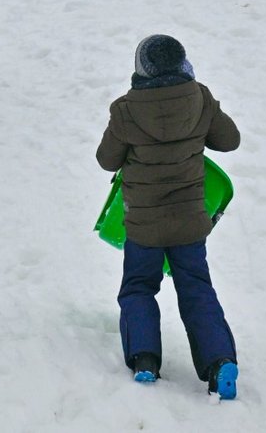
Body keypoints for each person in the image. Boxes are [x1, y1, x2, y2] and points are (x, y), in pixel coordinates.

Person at [96, 35, 241, 399]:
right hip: (190, 222)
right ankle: (220, 362)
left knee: (138, 288)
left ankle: (145, 360)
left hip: (143, 226)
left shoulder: (126, 110)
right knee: (197, 289)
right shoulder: (200, 98)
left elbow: (106, 160)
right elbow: (229, 140)